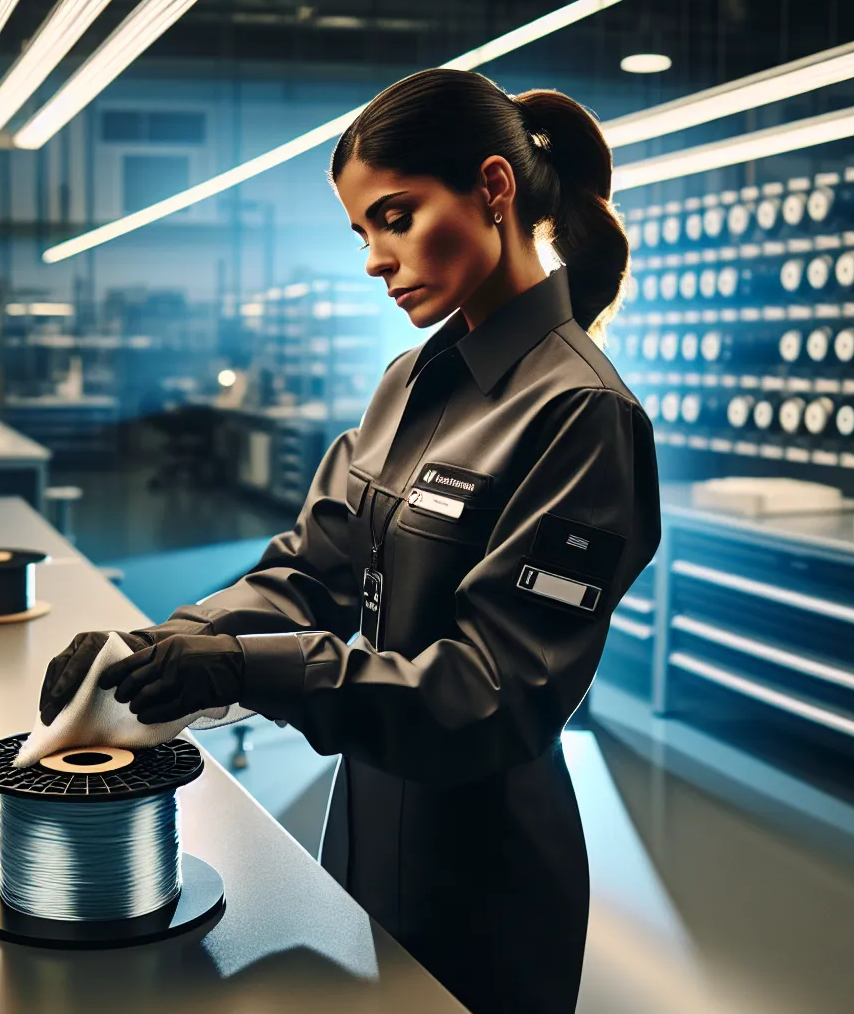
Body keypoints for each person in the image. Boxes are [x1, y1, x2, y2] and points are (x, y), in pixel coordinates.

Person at [40, 68, 660, 1014]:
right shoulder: (411, 381)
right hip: (364, 823)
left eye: (397, 216)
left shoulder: (582, 413)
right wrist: (165, 646)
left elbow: (489, 695)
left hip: (487, 870)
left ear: (493, 189)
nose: (376, 258)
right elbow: (309, 569)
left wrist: (250, 673)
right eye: (364, 231)